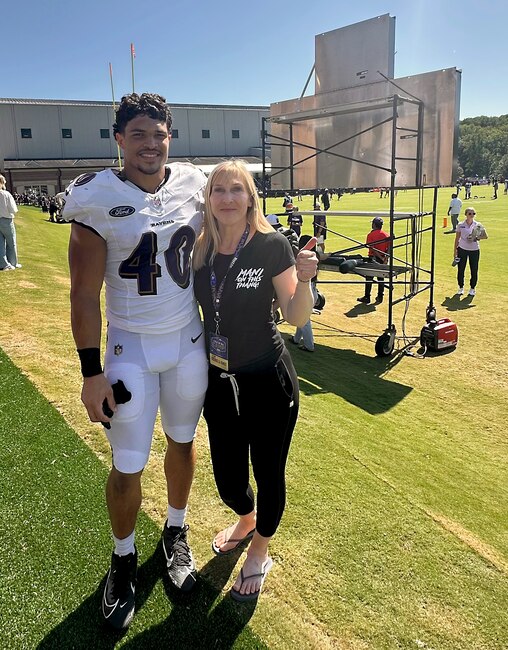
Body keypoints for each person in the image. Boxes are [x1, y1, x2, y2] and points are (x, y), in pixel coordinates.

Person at [62, 93, 208, 630]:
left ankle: (175, 530)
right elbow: (82, 296)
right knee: (128, 463)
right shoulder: (96, 196)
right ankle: (123, 558)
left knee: (183, 441)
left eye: (160, 134)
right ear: (119, 139)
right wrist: (88, 370)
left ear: (171, 137)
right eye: (140, 135)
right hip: (131, 350)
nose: (151, 145)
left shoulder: (194, 183)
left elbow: (240, 213)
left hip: (188, 343)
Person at [192, 160, 318, 602]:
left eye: (236, 190)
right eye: (218, 190)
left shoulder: (271, 245)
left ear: (250, 197)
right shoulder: (201, 248)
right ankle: (245, 518)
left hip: (269, 381)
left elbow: (297, 315)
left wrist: (304, 279)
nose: (227, 198)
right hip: (219, 381)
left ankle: (260, 548)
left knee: (268, 472)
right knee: (228, 478)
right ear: (208, 198)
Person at [289, 235, 318, 352]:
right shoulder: (315, 256)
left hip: (307, 290)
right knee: (301, 316)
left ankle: (309, 345)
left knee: (305, 320)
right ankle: (296, 339)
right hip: (312, 290)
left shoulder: (303, 258)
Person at [357, 217, 390, 304]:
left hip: (373, 258)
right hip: (383, 259)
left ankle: (367, 297)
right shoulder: (386, 235)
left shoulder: (370, 235)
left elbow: (372, 248)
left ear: (374, 225)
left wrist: (381, 257)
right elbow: (389, 249)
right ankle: (380, 296)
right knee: (381, 278)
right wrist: (385, 258)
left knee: (369, 278)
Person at [454, 207, 483, 296]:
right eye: (470, 214)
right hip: (462, 249)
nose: (472, 215)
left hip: (474, 250)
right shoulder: (461, 225)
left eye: (473, 214)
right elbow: (457, 238)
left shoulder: (477, 224)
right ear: (466, 214)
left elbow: (483, 236)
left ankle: (472, 288)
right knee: (461, 269)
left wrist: (477, 238)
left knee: (474, 269)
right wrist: (455, 251)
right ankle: (461, 287)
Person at [0, 174, 21, 270]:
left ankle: (3, 264)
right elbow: (13, 209)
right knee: (11, 242)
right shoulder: (6, 194)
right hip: (6, 220)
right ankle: (13, 262)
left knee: (0, 243)